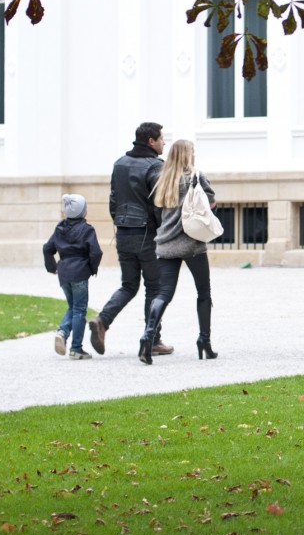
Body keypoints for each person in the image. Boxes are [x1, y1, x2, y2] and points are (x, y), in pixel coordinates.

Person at [88, 122, 173, 356]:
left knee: (128, 285)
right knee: (155, 288)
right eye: (161, 139)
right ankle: (152, 340)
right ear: (151, 141)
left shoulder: (119, 164)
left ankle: (102, 321)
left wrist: (120, 223)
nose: (164, 143)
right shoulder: (156, 166)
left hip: (123, 232)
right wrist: (164, 231)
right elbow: (159, 204)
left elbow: (113, 200)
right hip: (147, 234)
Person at [145, 139, 218, 364]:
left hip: (166, 244)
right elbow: (211, 203)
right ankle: (204, 341)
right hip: (192, 243)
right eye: (193, 151)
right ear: (187, 155)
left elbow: (158, 211)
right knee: (203, 291)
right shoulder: (195, 177)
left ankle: (147, 337)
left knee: (164, 294)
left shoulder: (163, 179)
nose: (195, 154)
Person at [43, 193, 102, 360]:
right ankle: (76, 348)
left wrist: (53, 268)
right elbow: (96, 252)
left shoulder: (59, 228)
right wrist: (91, 268)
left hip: (64, 274)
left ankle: (62, 332)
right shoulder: (87, 229)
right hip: (80, 273)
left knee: (73, 307)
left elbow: (47, 249)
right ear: (83, 212)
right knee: (79, 310)